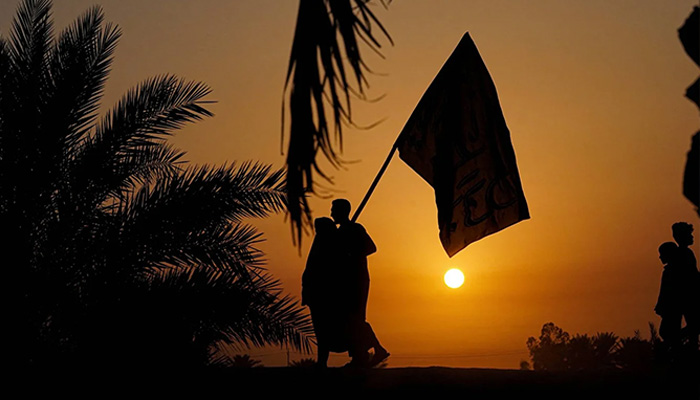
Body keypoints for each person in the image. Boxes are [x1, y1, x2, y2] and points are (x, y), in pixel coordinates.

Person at [331, 198, 389, 367]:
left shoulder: (355, 229)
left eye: (334, 210)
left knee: (355, 318)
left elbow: (371, 247)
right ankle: (360, 355)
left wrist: (351, 253)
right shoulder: (340, 232)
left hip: (357, 280)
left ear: (342, 211)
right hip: (345, 281)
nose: (332, 213)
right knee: (350, 319)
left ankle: (375, 350)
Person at [301, 217, 350, 367]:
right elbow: (310, 269)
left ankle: (324, 361)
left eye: (319, 229)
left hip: (327, 295)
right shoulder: (320, 244)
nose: (317, 232)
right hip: (316, 295)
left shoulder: (334, 246)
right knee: (320, 330)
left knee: (327, 330)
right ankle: (322, 361)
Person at [671, 222, 699, 347]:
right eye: (689, 234)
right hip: (688, 296)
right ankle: (673, 341)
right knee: (694, 326)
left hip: (686, 296)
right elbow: (691, 275)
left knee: (694, 326)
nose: (692, 237)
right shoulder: (684, 254)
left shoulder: (684, 253)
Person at [655, 242, 683, 352]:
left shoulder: (672, 272)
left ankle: (675, 351)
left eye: (662, 254)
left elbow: (667, 291)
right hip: (670, 307)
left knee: (666, 331)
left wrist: (661, 305)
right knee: (667, 332)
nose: (660, 257)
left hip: (672, 307)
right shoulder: (670, 271)